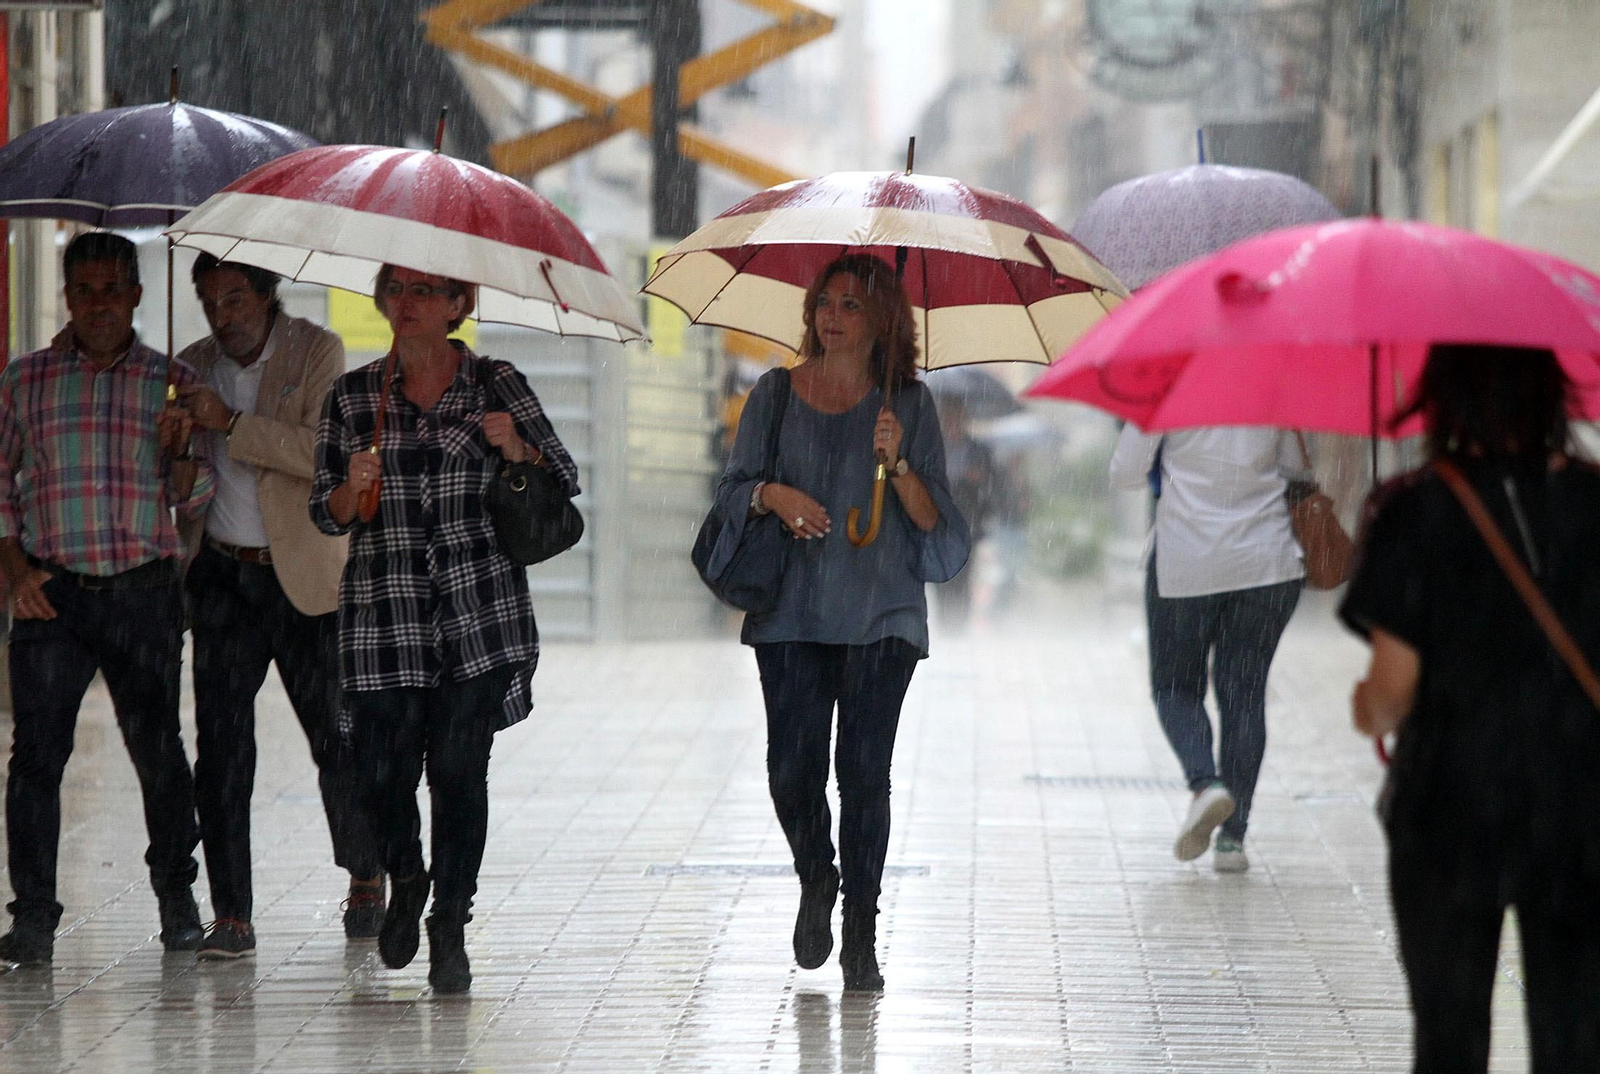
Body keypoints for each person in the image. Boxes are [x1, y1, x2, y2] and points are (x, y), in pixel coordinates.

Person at [703, 253, 969, 991]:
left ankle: (861, 926)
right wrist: (772, 497)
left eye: (854, 304)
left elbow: (938, 528)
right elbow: (731, 491)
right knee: (791, 771)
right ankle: (817, 875)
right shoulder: (775, 394)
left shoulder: (909, 405)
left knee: (863, 773)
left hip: (882, 616)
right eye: (828, 299)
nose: (835, 314)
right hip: (791, 613)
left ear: (883, 320)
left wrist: (901, 464)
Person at [310, 263, 578, 994]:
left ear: (460, 302)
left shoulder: (497, 384)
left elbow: (564, 478)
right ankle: (406, 875)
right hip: (383, 619)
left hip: (477, 617)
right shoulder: (354, 396)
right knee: (384, 774)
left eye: (427, 291)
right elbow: (321, 510)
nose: (409, 303)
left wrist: (515, 448)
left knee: (459, 775)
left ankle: (450, 922)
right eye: (396, 289)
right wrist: (349, 488)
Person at [1342, 345, 1600, 1072]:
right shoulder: (1593, 498)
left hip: (1450, 808)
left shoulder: (1414, 507)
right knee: (1576, 1038)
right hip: (1580, 812)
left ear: (1444, 397)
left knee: (1450, 1035)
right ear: (1552, 395)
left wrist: (1366, 708)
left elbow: (1391, 694)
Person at [0, 231, 213, 964]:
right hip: (51, 596)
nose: (98, 304)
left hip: (143, 594)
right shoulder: (23, 380)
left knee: (159, 753)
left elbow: (197, 498)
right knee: (35, 758)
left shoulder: (172, 383)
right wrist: (14, 571)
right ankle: (32, 915)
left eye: (111, 289)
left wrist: (181, 448)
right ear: (66, 296)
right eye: (84, 290)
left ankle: (178, 898)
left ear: (136, 296)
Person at [173, 254, 381, 960]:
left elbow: (322, 453)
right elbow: (181, 479)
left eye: (236, 299)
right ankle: (230, 910)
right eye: (210, 302)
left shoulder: (316, 350)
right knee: (222, 750)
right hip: (223, 577)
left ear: (267, 297)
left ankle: (365, 871)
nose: (223, 316)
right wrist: (178, 449)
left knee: (336, 738)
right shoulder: (190, 365)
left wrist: (231, 423)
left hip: (304, 580)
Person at [1109, 424, 1306, 873]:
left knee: (1175, 687)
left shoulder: (1168, 393)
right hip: (1266, 563)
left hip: (1187, 563)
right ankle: (1232, 842)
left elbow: (1124, 473)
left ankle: (1206, 784)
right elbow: (1296, 467)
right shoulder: (1272, 383)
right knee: (1244, 694)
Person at [937, 398, 997, 627]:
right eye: (948, 417)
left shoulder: (977, 449)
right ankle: (946, 619)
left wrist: (977, 479)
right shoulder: (936, 447)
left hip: (968, 521)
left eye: (956, 416)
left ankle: (958, 622)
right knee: (942, 573)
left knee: (964, 572)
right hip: (940, 520)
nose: (952, 421)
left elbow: (991, 482)